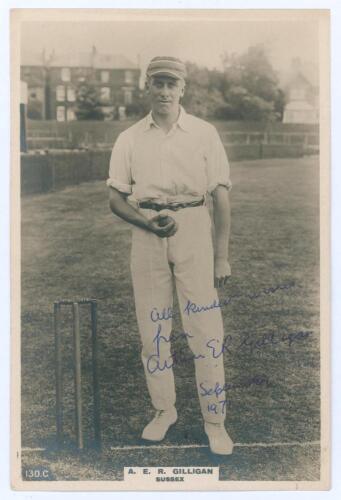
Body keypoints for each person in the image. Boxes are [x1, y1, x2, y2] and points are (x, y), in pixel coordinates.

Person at [107, 56, 233, 455]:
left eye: (171, 84)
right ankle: (164, 411)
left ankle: (215, 421)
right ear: (148, 86)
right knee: (154, 330)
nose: (164, 91)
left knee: (206, 330)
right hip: (147, 234)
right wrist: (147, 224)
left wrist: (221, 257)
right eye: (157, 83)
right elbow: (115, 197)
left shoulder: (203, 133)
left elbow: (221, 196)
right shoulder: (129, 137)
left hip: (194, 228)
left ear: (182, 89)